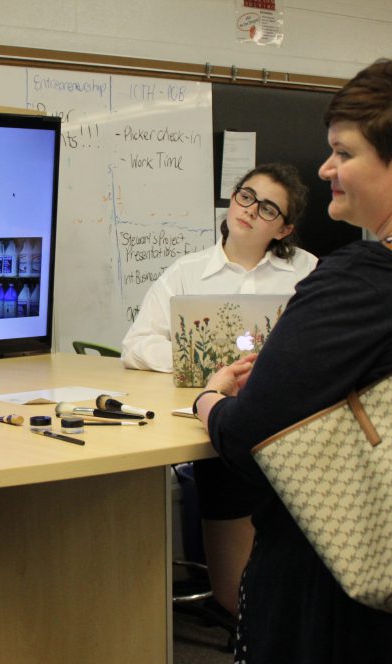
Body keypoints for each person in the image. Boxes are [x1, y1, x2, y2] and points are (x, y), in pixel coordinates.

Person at [195, 53, 392, 664]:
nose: (326, 169)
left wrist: (211, 399)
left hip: (364, 587)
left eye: (344, 152)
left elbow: (248, 432)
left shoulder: (358, 282)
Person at [121, 163, 318, 617]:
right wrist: (201, 364)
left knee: (292, 575)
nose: (250, 210)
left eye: (268, 208)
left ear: (284, 228)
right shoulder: (187, 272)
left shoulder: (308, 271)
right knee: (237, 590)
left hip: (290, 434)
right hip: (221, 430)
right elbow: (137, 345)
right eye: (246, 196)